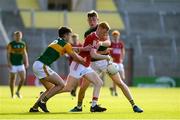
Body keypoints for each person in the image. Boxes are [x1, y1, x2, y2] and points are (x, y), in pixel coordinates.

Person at [70, 10, 143, 113]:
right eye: (90, 19)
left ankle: (134, 105)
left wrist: (99, 43)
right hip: (93, 62)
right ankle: (79, 106)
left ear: (97, 20)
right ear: (88, 20)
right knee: (83, 87)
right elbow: (90, 49)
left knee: (119, 83)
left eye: (94, 19)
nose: (92, 21)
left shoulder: (102, 28)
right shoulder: (87, 33)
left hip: (105, 61)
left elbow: (108, 42)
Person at [29, 27, 87, 113]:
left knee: (50, 89)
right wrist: (86, 62)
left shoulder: (58, 41)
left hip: (38, 64)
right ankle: (43, 102)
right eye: (69, 35)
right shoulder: (66, 45)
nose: (70, 38)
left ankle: (34, 108)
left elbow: (70, 49)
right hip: (42, 66)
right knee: (61, 84)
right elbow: (76, 57)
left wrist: (83, 49)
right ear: (65, 35)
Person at [57, 22, 111, 112]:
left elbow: (95, 52)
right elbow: (93, 55)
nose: (104, 35)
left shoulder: (95, 37)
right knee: (68, 88)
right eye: (104, 32)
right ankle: (47, 93)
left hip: (85, 65)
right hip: (78, 64)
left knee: (99, 83)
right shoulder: (93, 37)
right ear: (100, 28)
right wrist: (106, 57)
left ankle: (93, 106)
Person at [7, 31, 29, 99]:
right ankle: (12, 94)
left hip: (20, 64)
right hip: (13, 64)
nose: (18, 37)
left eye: (19, 35)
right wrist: (9, 62)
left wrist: (27, 62)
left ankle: (18, 91)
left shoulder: (23, 44)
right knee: (12, 79)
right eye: (17, 35)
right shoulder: (11, 44)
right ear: (14, 36)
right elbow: (8, 54)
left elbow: (25, 53)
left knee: (23, 78)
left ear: (21, 36)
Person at [109, 30, 125, 96]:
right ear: (113, 37)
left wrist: (122, 59)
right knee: (115, 78)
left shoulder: (121, 44)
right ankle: (115, 92)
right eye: (114, 36)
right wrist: (110, 58)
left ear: (118, 36)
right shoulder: (111, 44)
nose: (115, 37)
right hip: (113, 63)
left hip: (119, 62)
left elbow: (123, 52)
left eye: (117, 36)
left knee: (122, 77)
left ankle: (112, 88)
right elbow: (108, 52)